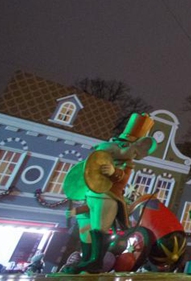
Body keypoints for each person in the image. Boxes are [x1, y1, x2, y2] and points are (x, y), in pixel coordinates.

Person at [61, 113, 157, 274]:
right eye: (118, 143)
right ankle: (86, 258)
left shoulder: (125, 165)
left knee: (99, 228)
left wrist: (113, 172)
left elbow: (122, 179)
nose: (118, 147)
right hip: (91, 196)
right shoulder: (100, 160)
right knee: (85, 228)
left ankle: (95, 261)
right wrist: (76, 210)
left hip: (108, 198)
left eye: (124, 145)